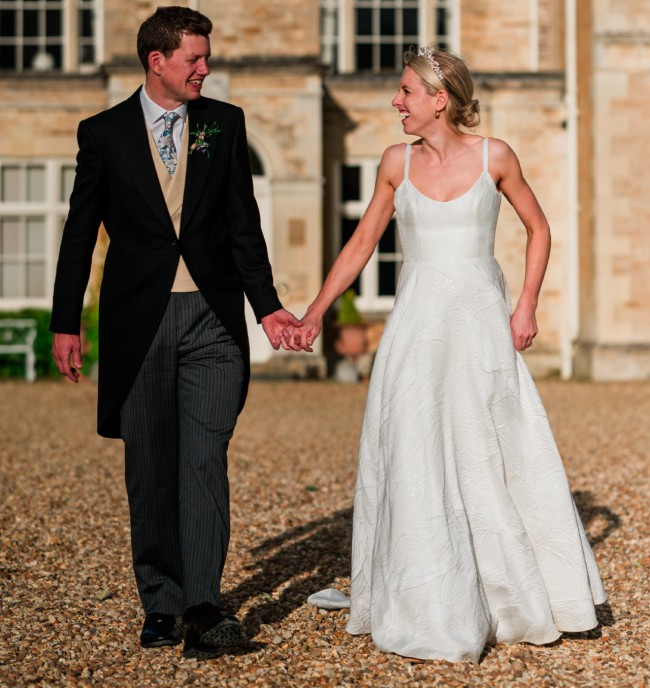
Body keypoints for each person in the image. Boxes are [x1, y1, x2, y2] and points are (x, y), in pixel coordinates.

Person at [300, 46, 606, 662]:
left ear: (439, 100)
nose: (396, 101)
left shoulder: (497, 156)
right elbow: (362, 243)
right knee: (413, 448)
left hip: (480, 324)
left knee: (492, 449)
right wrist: (315, 311)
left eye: (406, 91)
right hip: (416, 327)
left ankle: (509, 594)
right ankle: (427, 599)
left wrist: (526, 305)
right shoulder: (395, 163)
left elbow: (539, 228)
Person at [50, 6, 301, 660]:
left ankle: (203, 606)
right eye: (194, 58)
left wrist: (268, 307)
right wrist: (65, 321)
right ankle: (161, 602)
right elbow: (80, 233)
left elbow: (244, 226)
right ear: (156, 60)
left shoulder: (224, 124)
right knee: (151, 466)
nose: (205, 69)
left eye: (206, 57)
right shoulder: (102, 134)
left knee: (204, 459)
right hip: (139, 322)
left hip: (213, 319)